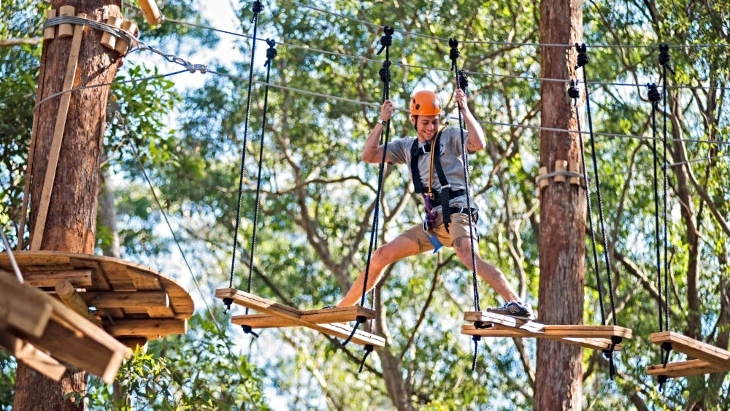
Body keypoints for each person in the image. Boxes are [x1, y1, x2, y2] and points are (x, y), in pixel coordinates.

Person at [336, 89, 533, 319]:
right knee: (381, 255)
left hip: (458, 211)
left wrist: (465, 109)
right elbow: (368, 156)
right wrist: (382, 121)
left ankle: (516, 303)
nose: (430, 127)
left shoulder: (450, 136)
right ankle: (343, 308)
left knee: (469, 256)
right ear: (413, 120)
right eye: (425, 122)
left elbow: (478, 143)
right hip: (434, 224)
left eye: (435, 121)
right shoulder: (407, 148)